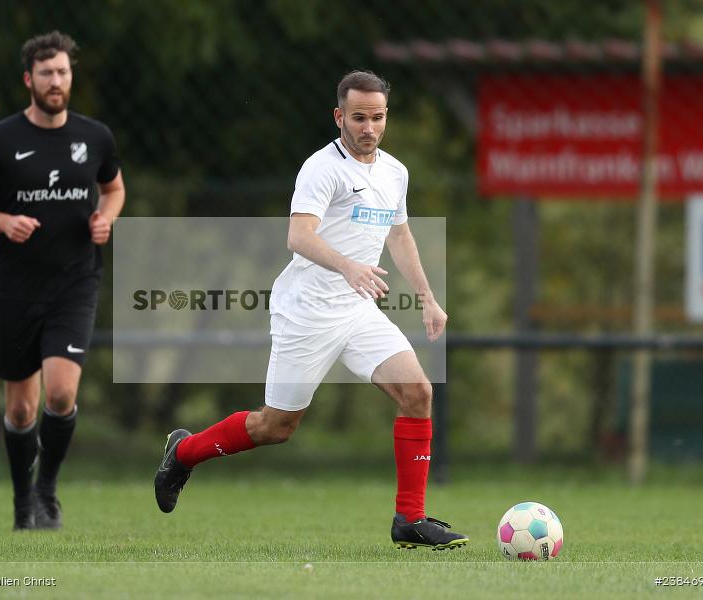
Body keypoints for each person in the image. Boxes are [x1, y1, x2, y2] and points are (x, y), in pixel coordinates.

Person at [154, 70, 468, 549]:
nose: (369, 128)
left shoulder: (394, 172)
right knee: (275, 427)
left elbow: (399, 234)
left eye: (377, 117)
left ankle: (410, 519)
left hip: (357, 309)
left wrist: (427, 297)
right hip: (307, 312)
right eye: (359, 117)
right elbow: (298, 235)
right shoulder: (322, 168)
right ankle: (185, 452)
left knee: (418, 393)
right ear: (339, 116)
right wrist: (348, 267)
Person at [0, 31, 124, 530]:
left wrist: (106, 218)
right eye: (46, 73)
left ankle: (47, 490)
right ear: (29, 79)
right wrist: (2, 222)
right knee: (22, 409)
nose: (56, 81)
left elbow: (113, 189)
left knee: (61, 395)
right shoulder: (0, 140)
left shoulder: (95, 136)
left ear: (72, 77)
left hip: (74, 284)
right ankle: (21, 500)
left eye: (64, 72)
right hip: (15, 289)